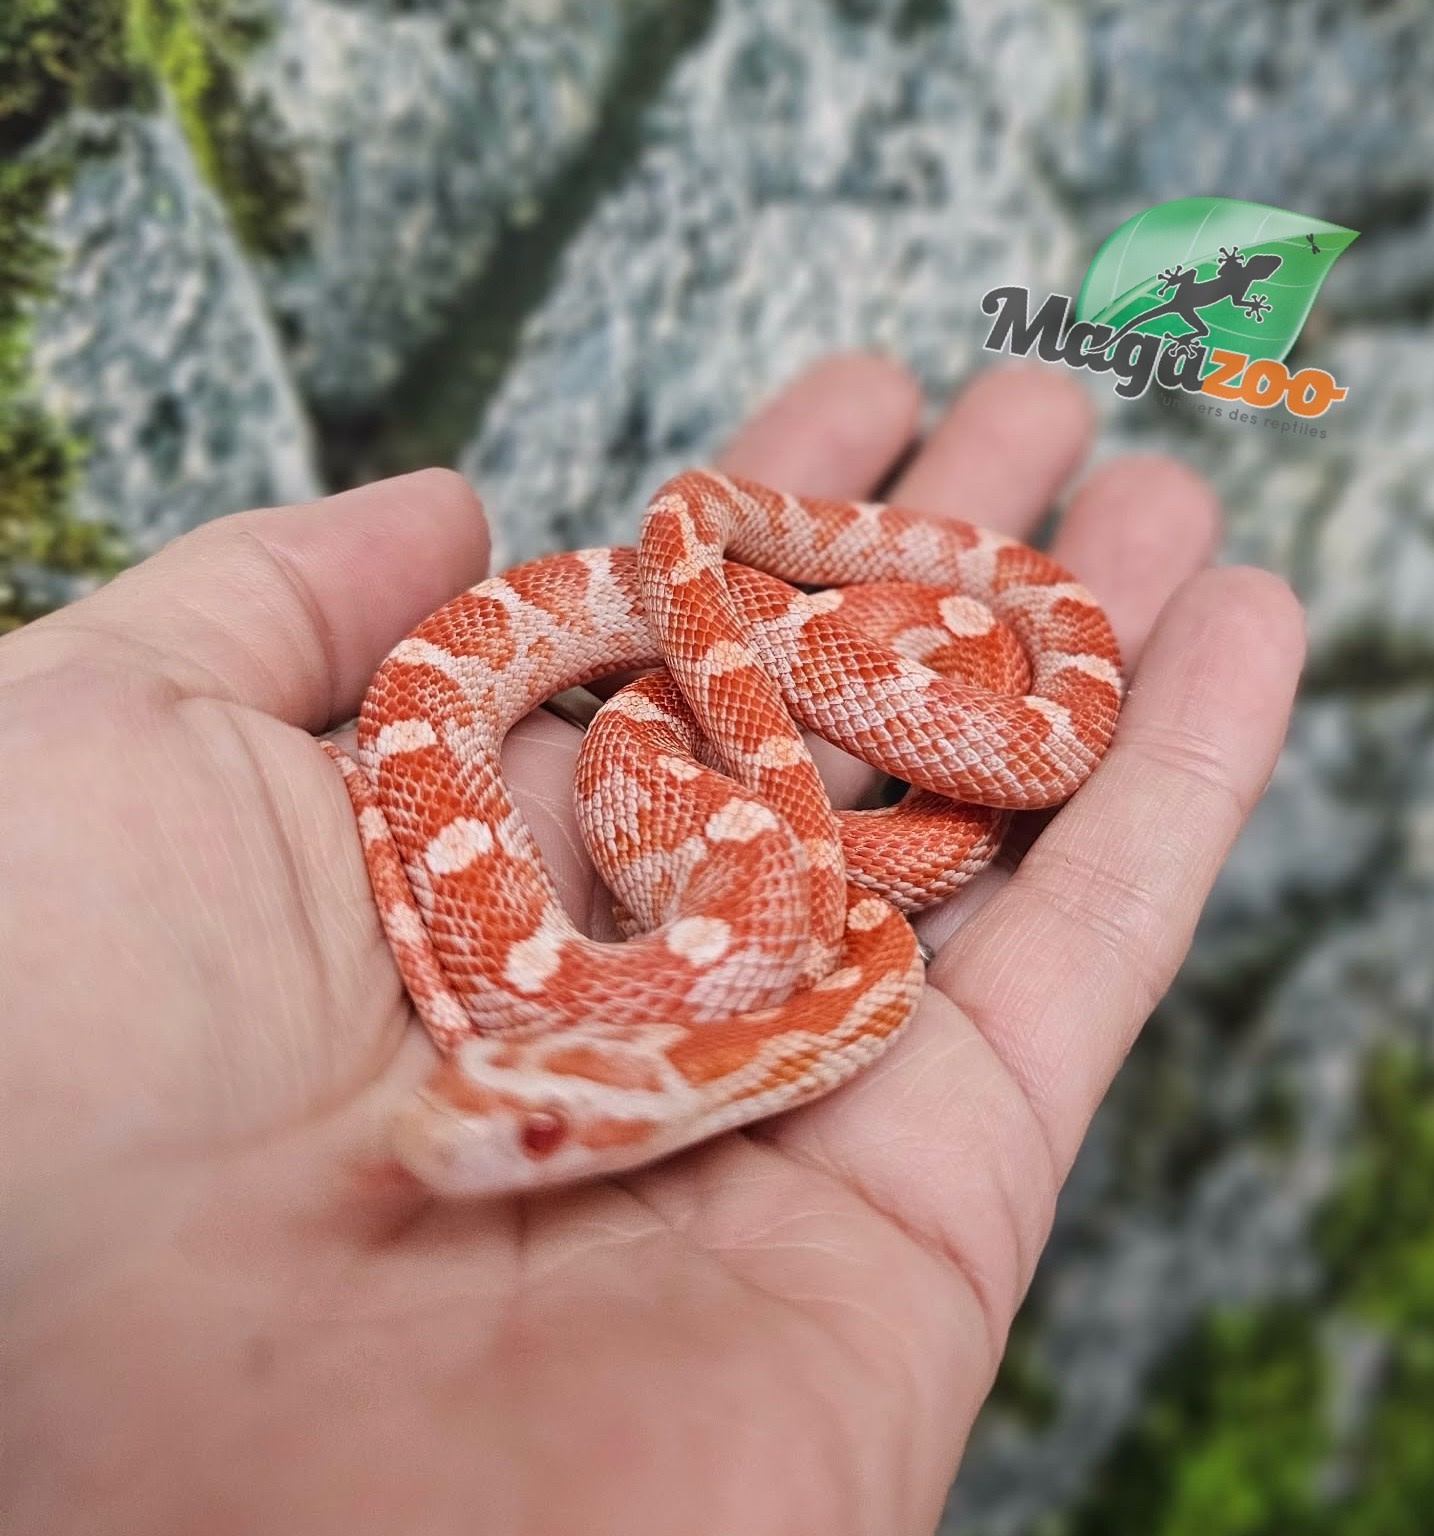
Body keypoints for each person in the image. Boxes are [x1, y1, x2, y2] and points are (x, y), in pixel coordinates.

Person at [0, 356, 1302, 1534]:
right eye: (524, 1108)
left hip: (845, 718)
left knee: (725, 742)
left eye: (528, 1113)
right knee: (630, 729)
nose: (463, 1115)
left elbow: (1018, 753)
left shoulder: (821, 923)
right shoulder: (759, 949)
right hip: (737, 772)